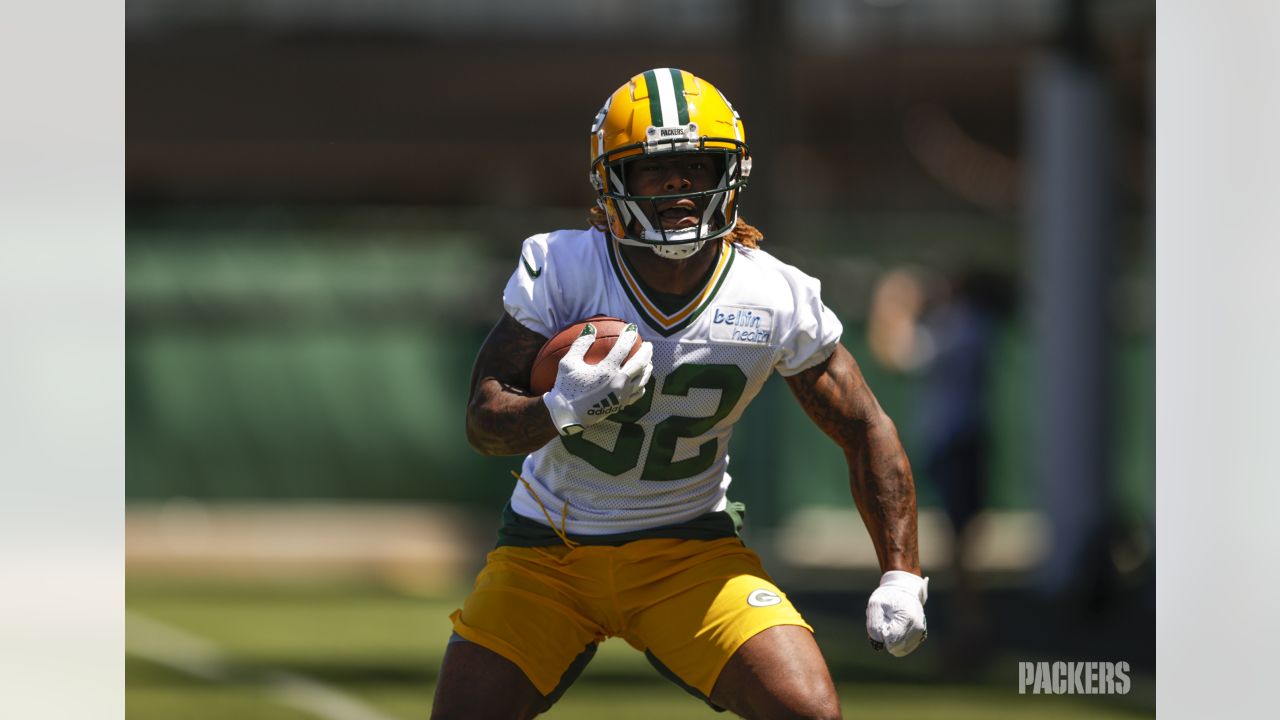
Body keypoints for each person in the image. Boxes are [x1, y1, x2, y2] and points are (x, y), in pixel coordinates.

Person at [433, 68, 927, 720]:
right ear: (612, 180)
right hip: (546, 554)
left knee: (808, 710)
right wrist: (561, 408)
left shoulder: (772, 294)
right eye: (653, 169)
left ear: (731, 170)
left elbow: (866, 426)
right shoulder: (566, 269)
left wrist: (901, 572)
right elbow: (482, 420)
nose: (677, 183)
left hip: (688, 553)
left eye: (695, 164)